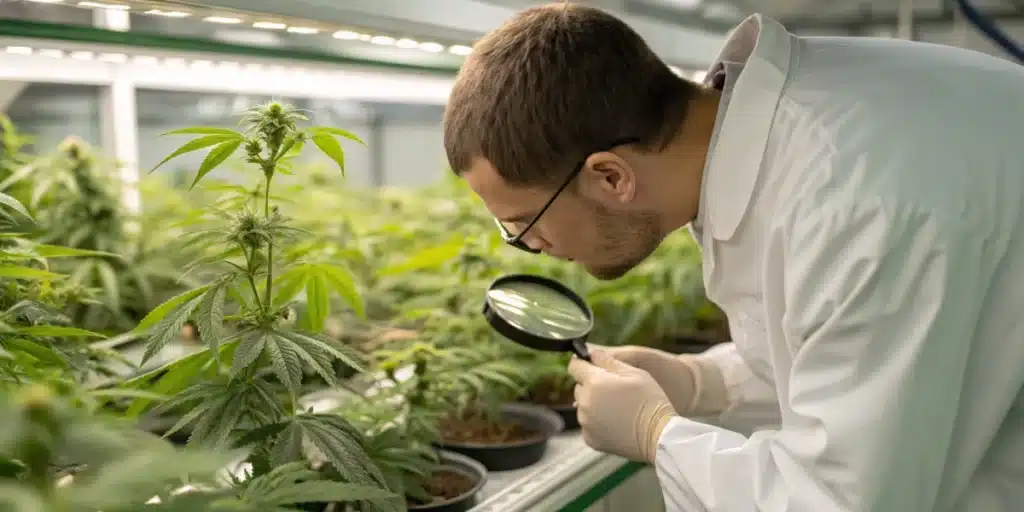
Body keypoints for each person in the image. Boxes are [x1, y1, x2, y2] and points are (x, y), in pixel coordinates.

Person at [443, 2, 1024, 511]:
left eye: (525, 224)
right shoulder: (788, 144)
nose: (530, 248)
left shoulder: (851, 208)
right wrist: (705, 382)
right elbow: (845, 355)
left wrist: (659, 435)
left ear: (611, 177)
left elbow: (841, 502)